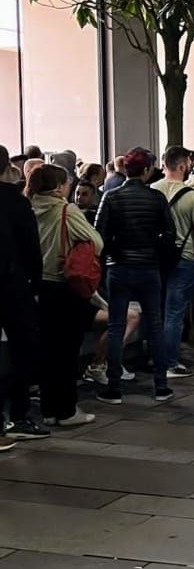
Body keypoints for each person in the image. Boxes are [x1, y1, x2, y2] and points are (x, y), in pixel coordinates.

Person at [93, 147, 176, 404]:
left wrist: (113, 252)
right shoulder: (156, 199)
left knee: (116, 326)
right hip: (149, 267)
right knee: (155, 324)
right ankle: (161, 385)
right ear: (147, 170)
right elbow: (170, 233)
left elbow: (98, 235)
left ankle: (114, 387)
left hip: (118, 268)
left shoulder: (111, 197)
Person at [27, 162, 103, 427]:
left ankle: (49, 410)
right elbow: (96, 242)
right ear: (59, 186)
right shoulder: (66, 210)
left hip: (37, 287)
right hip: (63, 285)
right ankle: (67, 410)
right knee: (68, 350)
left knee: (47, 351)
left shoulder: (28, 206)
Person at [0, 143, 46, 441]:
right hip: (12, 285)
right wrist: (35, 285)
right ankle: (19, 415)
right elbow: (31, 248)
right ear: (7, 168)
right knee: (22, 349)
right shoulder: (14, 202)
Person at [152, 146, 194, 377]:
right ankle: (170, 362)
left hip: (155, 259)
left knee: (155, 310)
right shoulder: (193, 197)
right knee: (174, 312)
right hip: (184, 258)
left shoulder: (152, 190)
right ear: (184, 166)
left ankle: (154, 357)